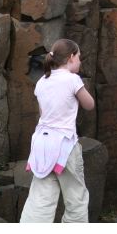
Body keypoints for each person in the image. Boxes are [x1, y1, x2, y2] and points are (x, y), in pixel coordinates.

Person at [19, 39, 96, 222]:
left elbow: (42, 114)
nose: (80, 61)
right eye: (79, 57)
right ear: (71, 58)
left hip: (41, 143)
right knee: (75, 197)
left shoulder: (42, 82)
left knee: (41, 198)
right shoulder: (72, 80)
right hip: (65, 145)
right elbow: (90, 105)